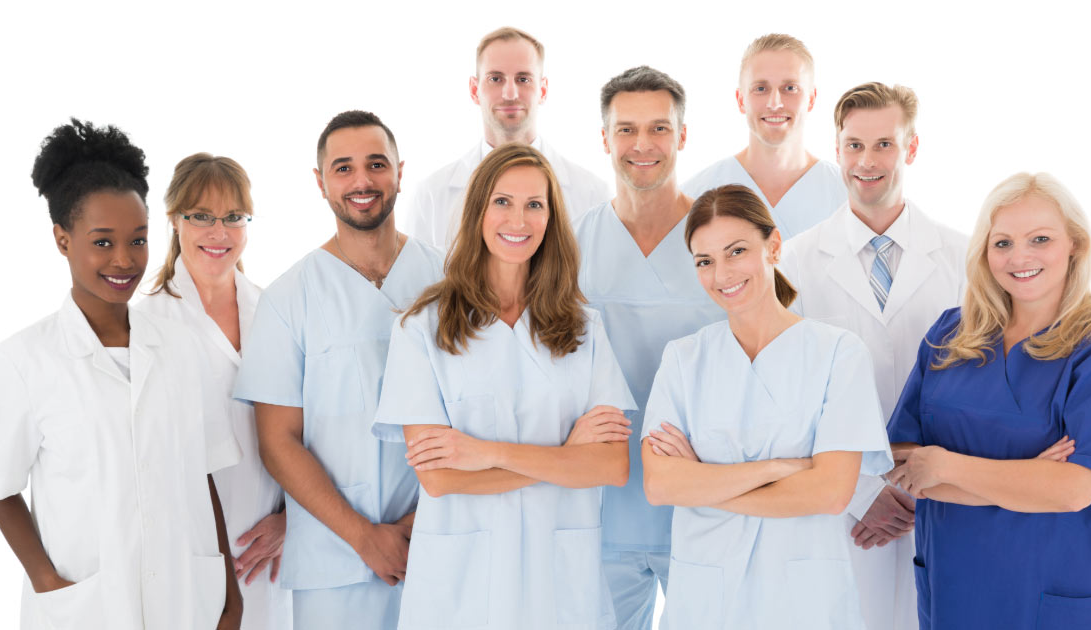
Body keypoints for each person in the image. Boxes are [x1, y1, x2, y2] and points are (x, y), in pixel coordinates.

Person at [0, 119, 243, 629]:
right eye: (103, 243)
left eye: (138, 241)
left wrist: (228, 591)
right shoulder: (25, 359)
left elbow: (202, 475)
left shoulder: (182, 347)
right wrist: (48, 584)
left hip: (187, 604)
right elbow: (0, 488)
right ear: (62, 239)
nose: (124, 260)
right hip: (88, 608)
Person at [372, 143, 635, 630]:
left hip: (558, 581)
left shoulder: (584, 329)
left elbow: (612, 465)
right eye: (503, 202)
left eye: (535, 204)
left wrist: (482, 452)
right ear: (477, 212)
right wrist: (565, 458)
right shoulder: (422, 330)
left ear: (552, 219)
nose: (519, 219)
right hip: (460, 584)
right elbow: (440, 478)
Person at [886, 172, 1091, 630]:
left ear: (1075, 246)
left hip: (1057, 593)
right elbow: (898, 462)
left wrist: (946, 466)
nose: (1019, 257)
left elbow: (1071, 491)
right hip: (955, 588)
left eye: (1040, 239)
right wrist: (1029, 478)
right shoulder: (950, 334)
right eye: (1002, 242)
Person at [642, 185, 892, 630]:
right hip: (706, 600)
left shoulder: (838, 353)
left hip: (804, 601)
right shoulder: (683, 359)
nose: (722, 274)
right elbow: (661, 486)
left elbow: (831, 492)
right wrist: (780, 468)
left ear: (773, 247)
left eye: (736, 251)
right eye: (705, 261)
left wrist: (704, 482)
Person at [233, 111, 444, 629]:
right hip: (335, 559)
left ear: (399, 171)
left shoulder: (447, 279)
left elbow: (476, 414)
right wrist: (364, 537)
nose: (362, 181)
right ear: (321, 181)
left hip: (441, 543)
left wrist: (424, 526)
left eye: (376, 165)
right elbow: (278, 441)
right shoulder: (290, 297)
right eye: (343, 168)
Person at [779, 82, 966, 630]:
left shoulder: (964, 258)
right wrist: (864, 492)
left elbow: (984, 390)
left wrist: (922, 491)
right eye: (854, 145)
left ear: (910, 148)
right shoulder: (794, 263)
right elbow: (788, 400)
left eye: (884, 144)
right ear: (836, 149)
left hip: (939, 506)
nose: (867, 161)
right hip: (842, 512)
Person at [573, 66, 724, 630]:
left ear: (682, 136)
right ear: (605, 138)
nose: (642, 145)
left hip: (701, 500)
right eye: (626, 129)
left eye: (659, 128)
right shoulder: (569, 244)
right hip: (601, 510)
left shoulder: (719, 242)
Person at [138, 153, 292, 630]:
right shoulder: (147, 324)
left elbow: (309, 427)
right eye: (201, 216)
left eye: (233, 217)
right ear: (173, 219)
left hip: (272, 550)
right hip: (188, 555)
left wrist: (293, 519)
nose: (218, 232)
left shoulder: (275, 310)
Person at [402, 26, 609, 248]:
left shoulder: (593, 195)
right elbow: (419, 280)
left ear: (543, 90)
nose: (510, 94)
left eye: (523, 79)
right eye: (495, 79)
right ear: (474, 90)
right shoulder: (431, 197)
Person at [682, 33, 845, 240]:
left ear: (811, 99)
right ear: (741, 100)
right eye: (760, 88)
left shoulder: (847, 196)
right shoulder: (695, 195)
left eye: (790, 88)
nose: (775, 103)